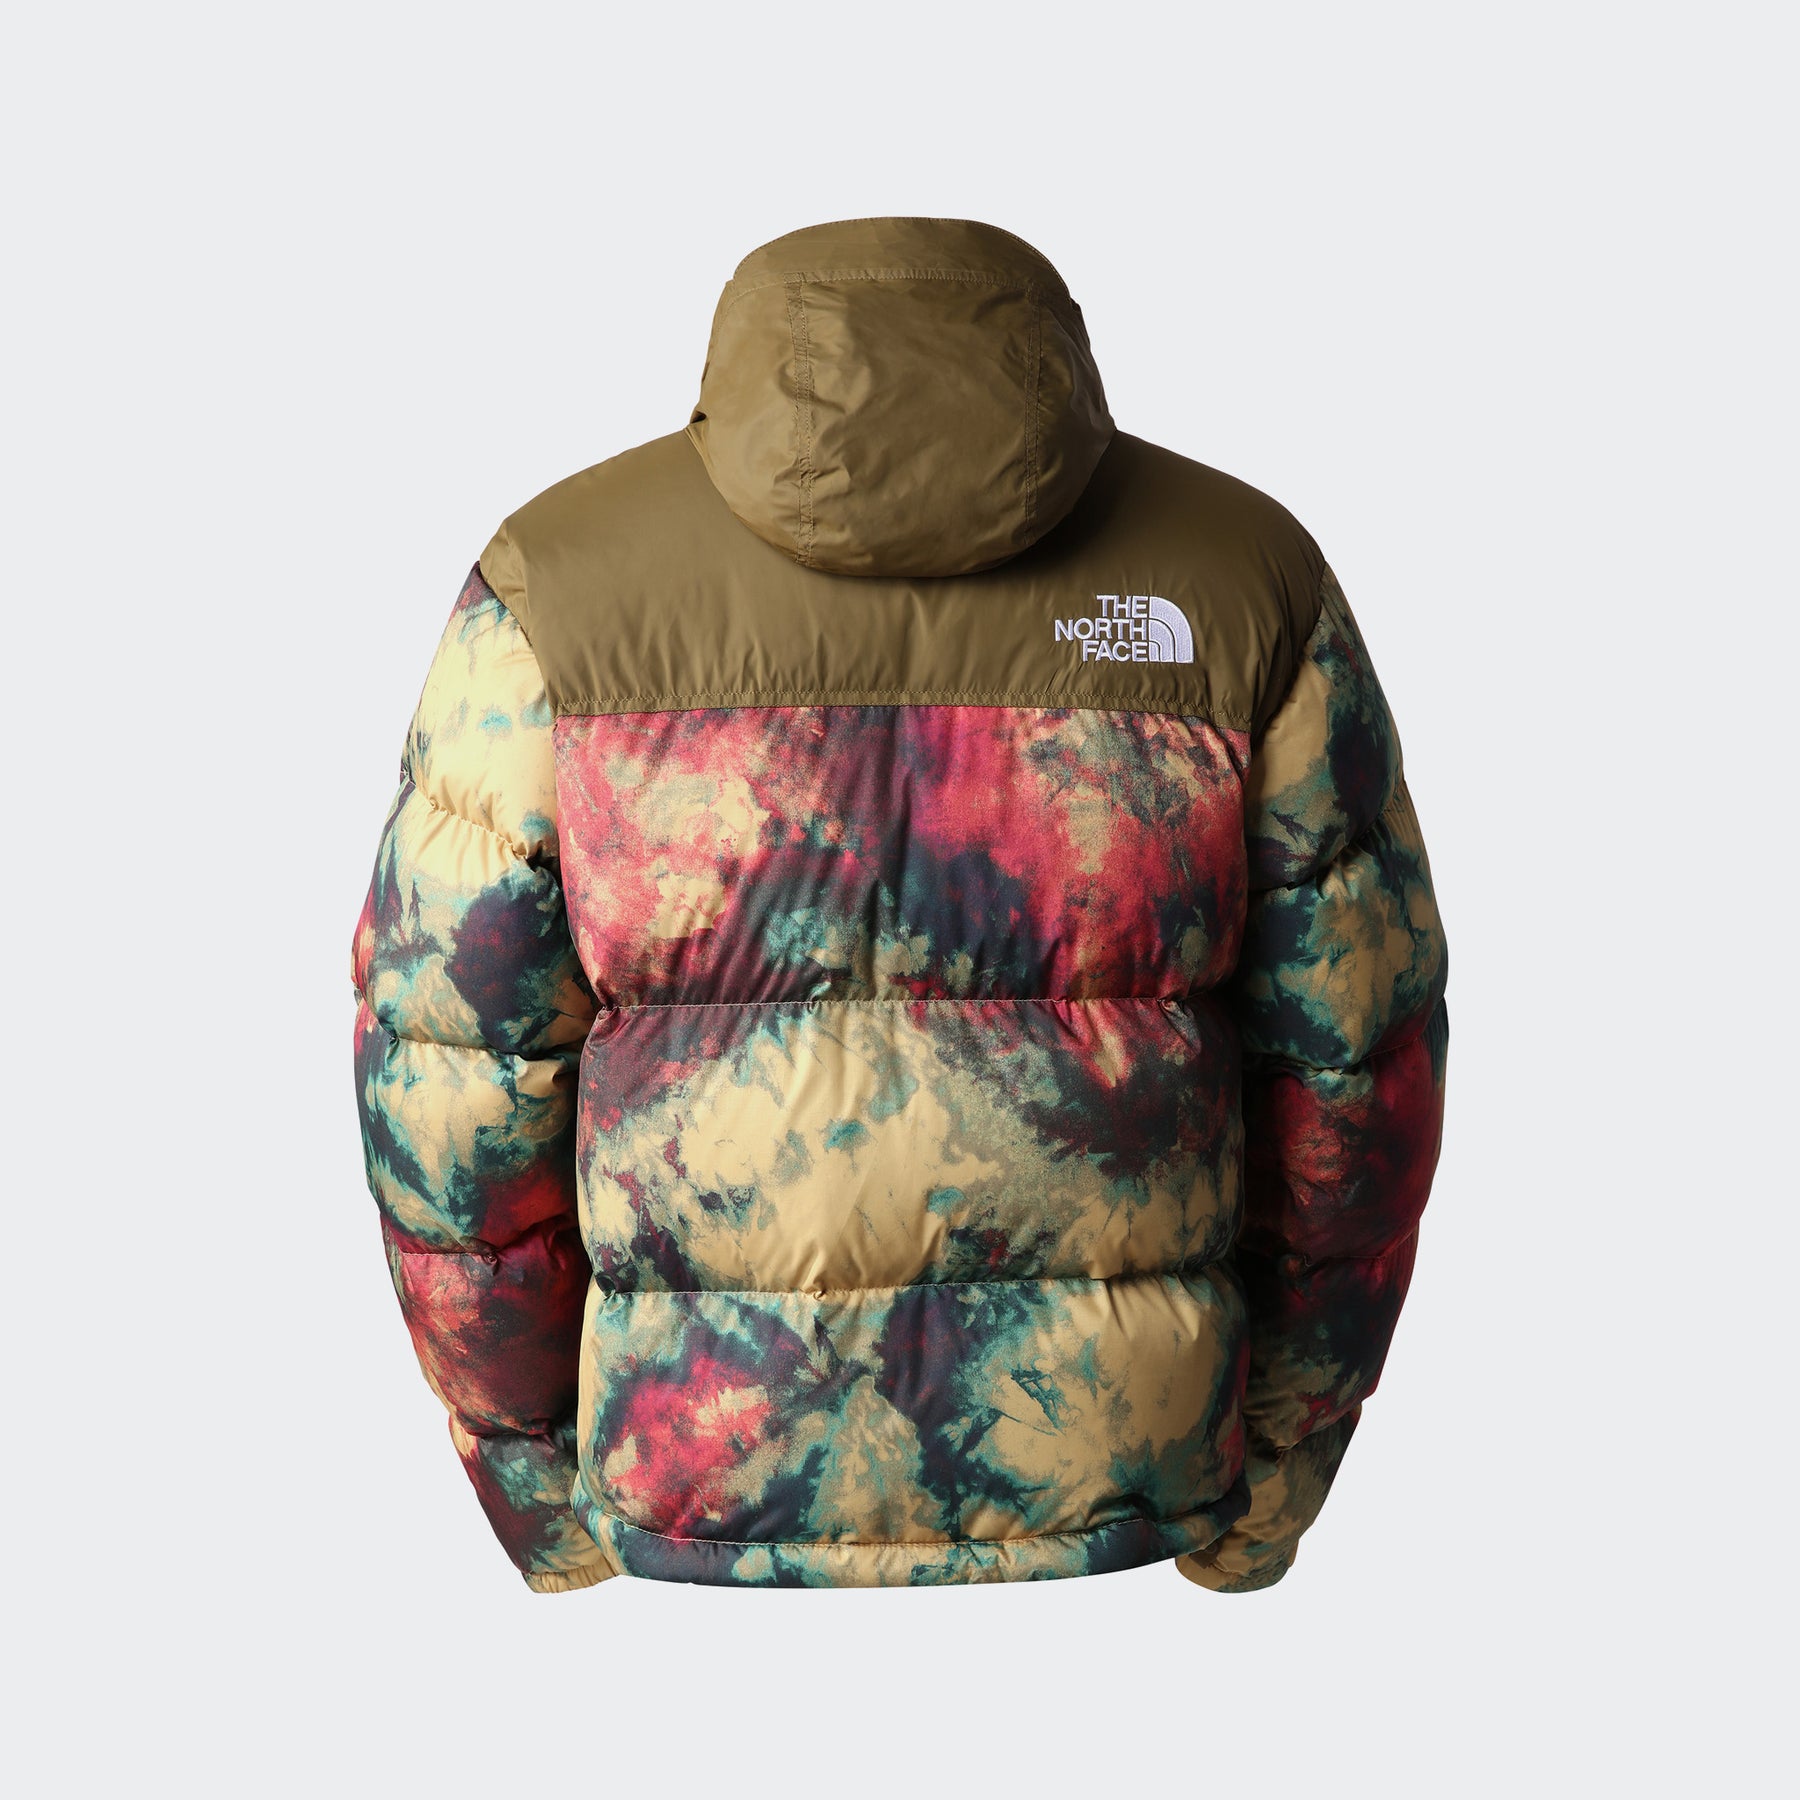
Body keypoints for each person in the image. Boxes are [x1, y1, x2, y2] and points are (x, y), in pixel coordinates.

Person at [352, 216, 1448, 1594]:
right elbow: (1356, 1077)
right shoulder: (1239, 580)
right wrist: (1270, 1479)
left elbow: (450, 1087)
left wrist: (541, 1497)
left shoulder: (557, 588)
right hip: (1127, 1474)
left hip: (702, 1469)